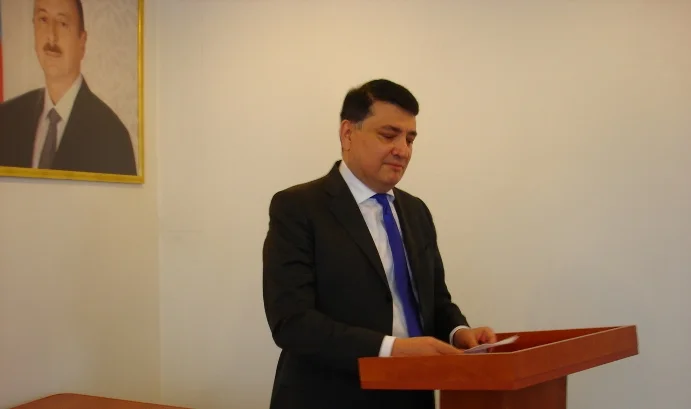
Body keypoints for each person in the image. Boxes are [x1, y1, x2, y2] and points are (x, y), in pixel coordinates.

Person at [262, 79, 497, 409]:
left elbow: (435, 300)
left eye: (410, 139)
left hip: (414, 394)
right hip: (329, 395)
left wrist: (458, 332)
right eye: (389, 135)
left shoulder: (416, 211)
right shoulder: (298, 207)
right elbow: (292, 322)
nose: (403, 150)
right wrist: (391, 349)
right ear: (348, 134)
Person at [0, 0, 137, 176]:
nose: (51, 36)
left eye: (63, 23)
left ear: (82, 42)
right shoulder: (6, 119)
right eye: (43, 20)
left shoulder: (112, 136)